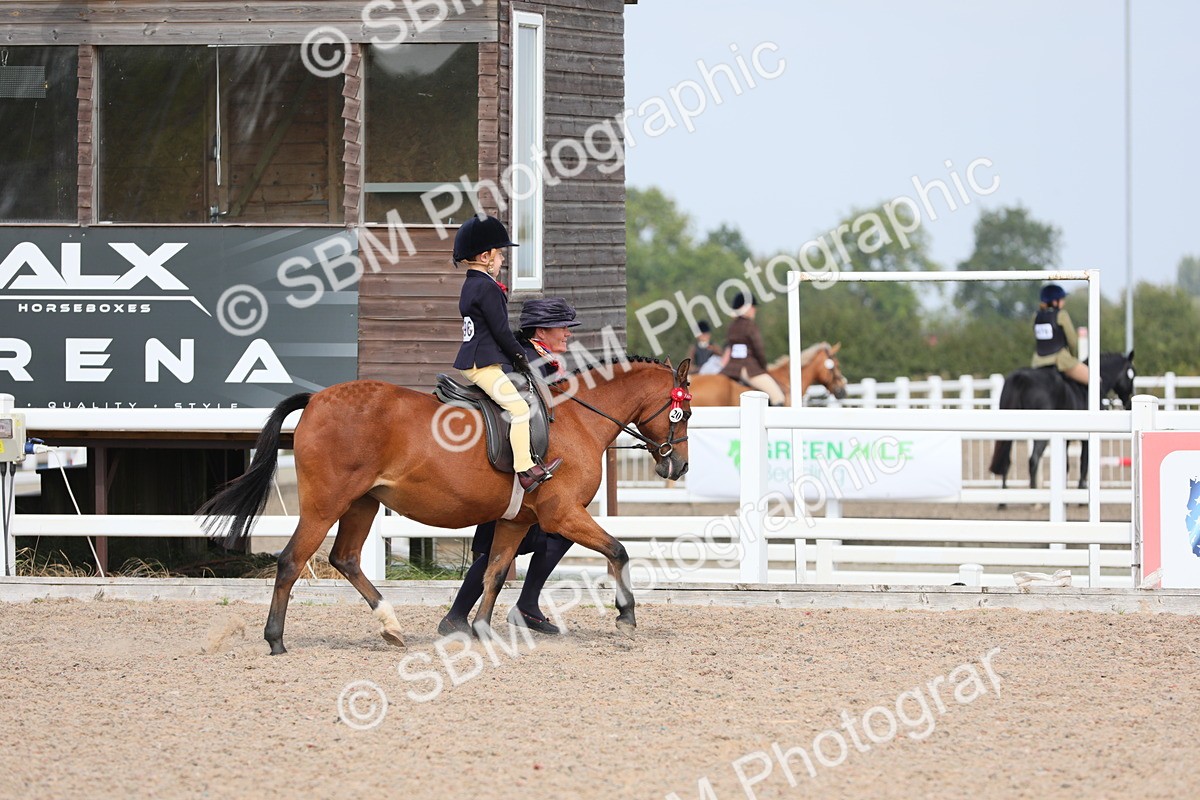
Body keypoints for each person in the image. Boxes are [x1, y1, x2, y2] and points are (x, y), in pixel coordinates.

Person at [439, 297, 581, 636]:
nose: (568, 336)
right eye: (564, 328)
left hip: (530, 468)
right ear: (542, 331)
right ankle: (462, 615)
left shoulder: (542, 359)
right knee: (499, 550)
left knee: (553, 536)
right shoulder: (530, 362)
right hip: (512, 471)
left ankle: (521, 606)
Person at [452, 215, 562, 491]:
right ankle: (525, 469)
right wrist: (521, 357)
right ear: (486, 256)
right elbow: (501, 332)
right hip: (483, 364)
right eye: (500, 255)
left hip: (482, 359)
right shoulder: (486, 287)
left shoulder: (472, 284)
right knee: (519, 408)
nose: (502, 260)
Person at [720, 292, 786, 405]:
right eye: (752, 307)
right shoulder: (750, 326)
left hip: (731, 369)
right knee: (778, 396)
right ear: (746, 308)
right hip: (748, 369)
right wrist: (764, 367)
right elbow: (758, 349)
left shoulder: (732, 326)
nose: (754, 310)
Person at [1031, 283, 1089, 386]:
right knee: (1096, 381)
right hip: (1061, 360)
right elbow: (1072, 341)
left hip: (1038, 361)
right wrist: (1072, 356)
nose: (1064, 302)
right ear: (1055, 301)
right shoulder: (1062, 315)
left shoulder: (1036, 316)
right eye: (1062, 299)